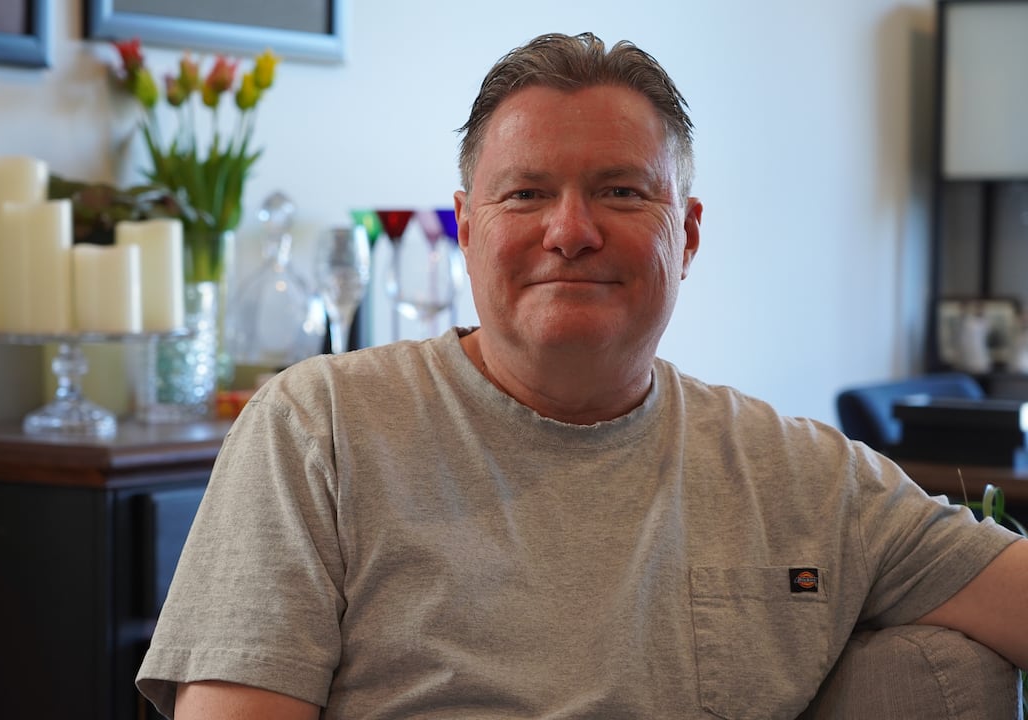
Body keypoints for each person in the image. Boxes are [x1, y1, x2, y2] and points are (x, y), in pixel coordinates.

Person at [137, 32, 1028, 718]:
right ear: (467, 227)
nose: (571, 230)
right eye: (525, 194)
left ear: (687, 235)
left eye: (622, 192)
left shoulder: (800, 475)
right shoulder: (318, 428)